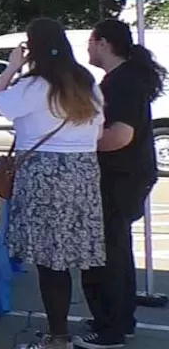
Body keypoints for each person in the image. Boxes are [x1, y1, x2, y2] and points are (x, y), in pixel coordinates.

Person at [0, 17, 106, 349]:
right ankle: (63, 332)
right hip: (82, 174)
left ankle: (58, 336)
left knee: (50, 263)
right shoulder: (86, 81)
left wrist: (10, 68)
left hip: (44, 175)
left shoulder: (34, 85)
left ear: (30, 47)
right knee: (68, 259)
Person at [74, 19, 164, 348]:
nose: (87, 48)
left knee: (106, 255)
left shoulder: (122, 83)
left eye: (90, 41)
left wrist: (79, 139)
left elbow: (119, 136)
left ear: (103, 43)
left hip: (119, 177)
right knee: (117, 251)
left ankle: (110, 328)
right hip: (128, 175)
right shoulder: (123, 79)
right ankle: (120, 320)